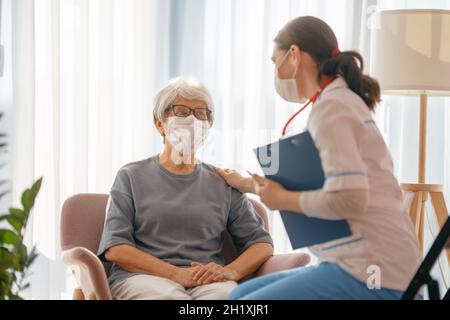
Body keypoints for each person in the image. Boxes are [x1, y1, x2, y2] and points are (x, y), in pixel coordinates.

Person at [217, 16, 421, 300]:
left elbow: (350, 199)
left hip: (376, 273)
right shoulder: (334, 103)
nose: (276, 73)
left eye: (276, 63)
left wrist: (283, 200)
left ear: (295, 55)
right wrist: (249, 185)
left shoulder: (333, 110)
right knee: (239, 296)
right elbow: (318, 184)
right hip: (354, 264)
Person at [97, 76, 274, 300]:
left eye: (201, 114)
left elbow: (261, 244)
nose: (193, 120)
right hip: (143, 278)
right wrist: (177, 274)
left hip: (208, 281)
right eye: (181, 112)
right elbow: (116, 248)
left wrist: (229, 271)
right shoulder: (130, 176)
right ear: (159, 123)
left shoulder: (223, 182)